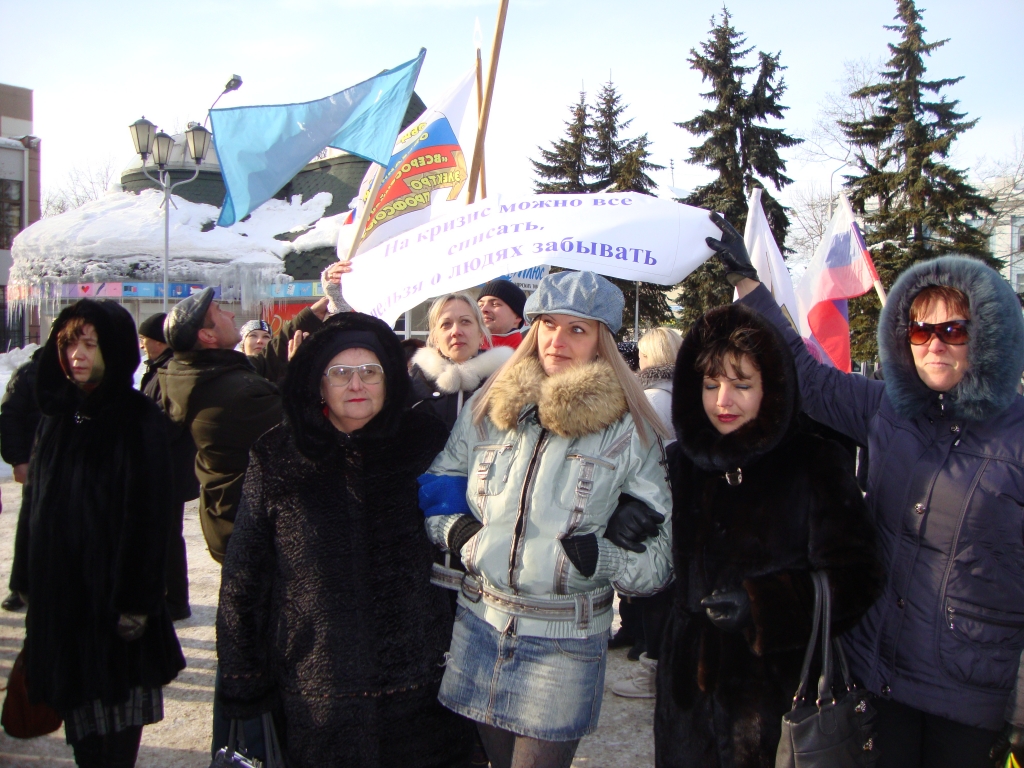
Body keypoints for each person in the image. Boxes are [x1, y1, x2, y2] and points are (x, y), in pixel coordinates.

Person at [708, 211, 1024, 768]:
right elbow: (806, 376)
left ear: (990, 335)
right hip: (876, 676)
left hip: (969, 697)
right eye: (921, 330)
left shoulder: (1017, 438)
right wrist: (749, 286)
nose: (934, 345)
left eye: (953, 330)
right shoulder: (887, 409)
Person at [421, 270, 673, 768]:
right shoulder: (491, 404)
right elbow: (440, 480)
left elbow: (659, 565)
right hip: (480, 622)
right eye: (549, 324)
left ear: (603, 341)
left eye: (578, 329)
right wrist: (456, 532)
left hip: (565, 640)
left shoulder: (632, 431)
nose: (557, 340)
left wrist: (605, 556)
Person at [217, 312, 474, 767]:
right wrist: (243, 679)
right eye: (340, 372)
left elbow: (470, 539)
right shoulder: (278, 454)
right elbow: (245, 575)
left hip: (421, 687)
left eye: (370, 371)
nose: (357, 384)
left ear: (389, 380)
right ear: (318, 383)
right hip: (315, 688)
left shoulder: (428, 444)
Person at [653, 301, 882, 767]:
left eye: (742, 385)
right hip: (688, 703)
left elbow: (858, 577)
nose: (723, 401)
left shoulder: (813, 462)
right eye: (711, 384)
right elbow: (650, 565)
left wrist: (761, 606)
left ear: (772, 387)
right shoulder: (680, 464)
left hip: (779, 701)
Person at [10, 299, 185, 767]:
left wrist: (135, 602)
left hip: (115, 617)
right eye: (69, 344)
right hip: (60, 610)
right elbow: (35, 507)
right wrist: (25, 576)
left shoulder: (137, 419)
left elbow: (151, 521)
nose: (76, 356)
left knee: (113, 742)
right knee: (82, 739)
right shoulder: (55, 418)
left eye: (90, 344)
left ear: (115, 348)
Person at [158, 288, 283, 564]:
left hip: (228, 519)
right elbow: (299, 422)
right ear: (208, 336)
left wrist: (312, 314)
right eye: (219, 311)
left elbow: (261, 364)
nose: (230, 313)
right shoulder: (233, 393)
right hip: (251, 525)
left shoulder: (198, 374)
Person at [611, 326, 683, 699]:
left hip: (651, 508)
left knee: (656, 592)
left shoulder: (649, 399)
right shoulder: (690, 395)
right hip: (684, 505)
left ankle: (651, 672)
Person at [137, 312, 192, 621]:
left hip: (167, 468)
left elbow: (170, 421)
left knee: (169, 535)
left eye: (146, 340)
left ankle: (176, 600)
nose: (143, 346)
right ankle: (168, 595)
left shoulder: (170, 371)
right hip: (163, 466)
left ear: (159, 342)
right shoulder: (158, 369)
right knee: (164, 534)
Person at [410, 292, 513, 431]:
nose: (456, 331)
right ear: (435, 338)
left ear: (481, 333)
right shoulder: (412, 389)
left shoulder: (508, 382)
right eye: (446, 324)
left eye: (465, 322)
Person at [0, 346, 42, 611]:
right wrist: (18, 460)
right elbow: (10, 418)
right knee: (30, 526)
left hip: (75, 467)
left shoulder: (85, 377)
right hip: (36, 464)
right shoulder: (28, 374)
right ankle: (21, 586)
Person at [477, 279, 527, 349]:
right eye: (480, 305)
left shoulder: (529, 356)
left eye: (495, 304)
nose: (483, 309)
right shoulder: (465, 352)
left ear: (517, 317)